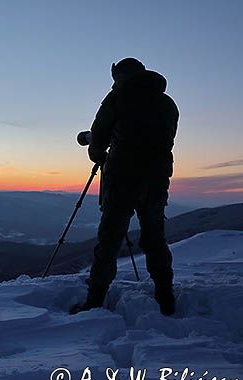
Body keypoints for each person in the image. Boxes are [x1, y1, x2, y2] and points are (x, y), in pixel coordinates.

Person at [71, 58, 179, 316]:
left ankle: (95, 299)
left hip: (122, 177)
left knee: (109, 237)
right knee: (155, 236)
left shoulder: (117, 98)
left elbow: (98, 138)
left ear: (119, 76)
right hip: (156, 178)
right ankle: (165, 296)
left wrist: (98, 154)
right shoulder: (167, 103)